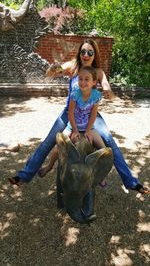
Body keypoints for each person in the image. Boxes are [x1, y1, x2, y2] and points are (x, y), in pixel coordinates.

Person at [8, 39, 150, 195]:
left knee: (109, 141)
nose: (86, 55)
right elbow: (50, 74)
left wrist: (108, 90)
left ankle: (131, 182)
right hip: (69, 113)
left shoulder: (98, 72)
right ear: (79, 54)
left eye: (90, 52)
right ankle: (24, 176)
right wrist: (52, 69)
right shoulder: (73, 67)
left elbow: (105, 84)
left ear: (94, 54)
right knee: (48, 141)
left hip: (90, 115)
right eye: (83, 51)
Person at [38, 66, 106, 178]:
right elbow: (70, 113)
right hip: (72, 126)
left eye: (86, 79)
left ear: (94, 82)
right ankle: (49, 166)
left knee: (103, 150)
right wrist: (74, 130)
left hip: (88, 127)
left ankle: (99, 175)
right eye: (80, 79)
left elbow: (94, 114)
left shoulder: (96, 96)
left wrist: (88, 130)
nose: (82, 82)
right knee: (58, 147)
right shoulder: (75, 93)